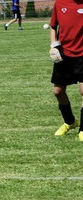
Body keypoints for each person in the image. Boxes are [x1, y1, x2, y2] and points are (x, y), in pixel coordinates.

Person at [48, 0, 83, 140]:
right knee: (58, 91)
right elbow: (52, 26)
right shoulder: (60, 3)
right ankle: (70, 122)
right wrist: (54, 46)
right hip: (64, 55)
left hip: (82, 55)